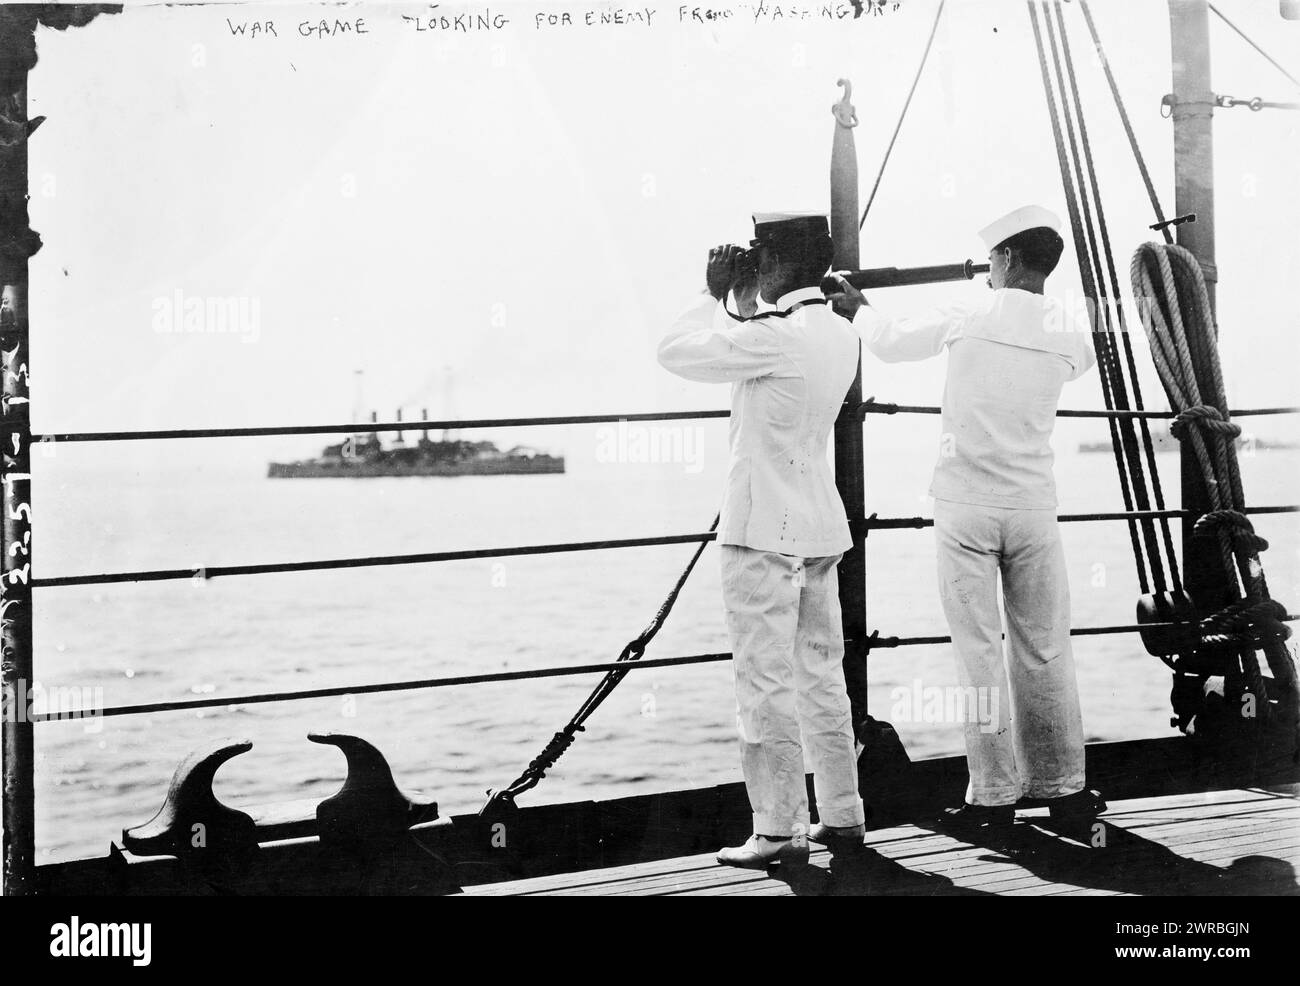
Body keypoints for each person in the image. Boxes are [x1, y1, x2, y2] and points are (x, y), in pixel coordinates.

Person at [828, 204, 1106, 833]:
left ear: (1004, 258)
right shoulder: (1069, 330)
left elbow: (894, 344)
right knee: (1045, 648)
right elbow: (1080, 360)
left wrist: (856, 308)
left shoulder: (969, 312)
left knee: (978, 650)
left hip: (966, 505)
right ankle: (1063, 788)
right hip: (1034, 506)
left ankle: (993, 796)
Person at [657, 212, 867, 868]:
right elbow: (759, 341)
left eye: (758, 254)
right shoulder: (838, 330)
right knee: (822, 678)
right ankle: (842, 813)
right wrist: (747, 299)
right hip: (818, 526)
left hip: (761, 534)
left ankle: (777, 831)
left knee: (763, 681)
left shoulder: (776, 336)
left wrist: (709, 289)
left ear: (775, 261)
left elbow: (676, 351)